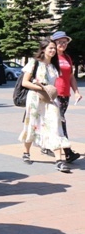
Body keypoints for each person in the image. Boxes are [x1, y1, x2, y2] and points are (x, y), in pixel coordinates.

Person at [19, 39, 72, 172]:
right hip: (35, 98)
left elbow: (54, 85)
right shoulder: (34, 63)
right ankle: (26, 152)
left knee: (55, 125)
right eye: (50, 48)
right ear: (43, 49)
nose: (53, 50)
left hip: (50, 99)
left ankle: (59, 160)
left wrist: (51, 91)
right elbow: (25, 82)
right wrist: (41, 87)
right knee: (32, 124)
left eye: (54, 48)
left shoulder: (54, 66)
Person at [48, 31, 82, 163]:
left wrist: (77, 92)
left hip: (65, 94)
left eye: (65, 42)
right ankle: (68, 153)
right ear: (54, 43)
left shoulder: (67, 57)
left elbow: (71, 77)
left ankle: (47, 145)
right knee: (61, 122)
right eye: (59, 42)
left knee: (56, 122)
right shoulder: (51, 57)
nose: (62, 44)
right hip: (53, 94)